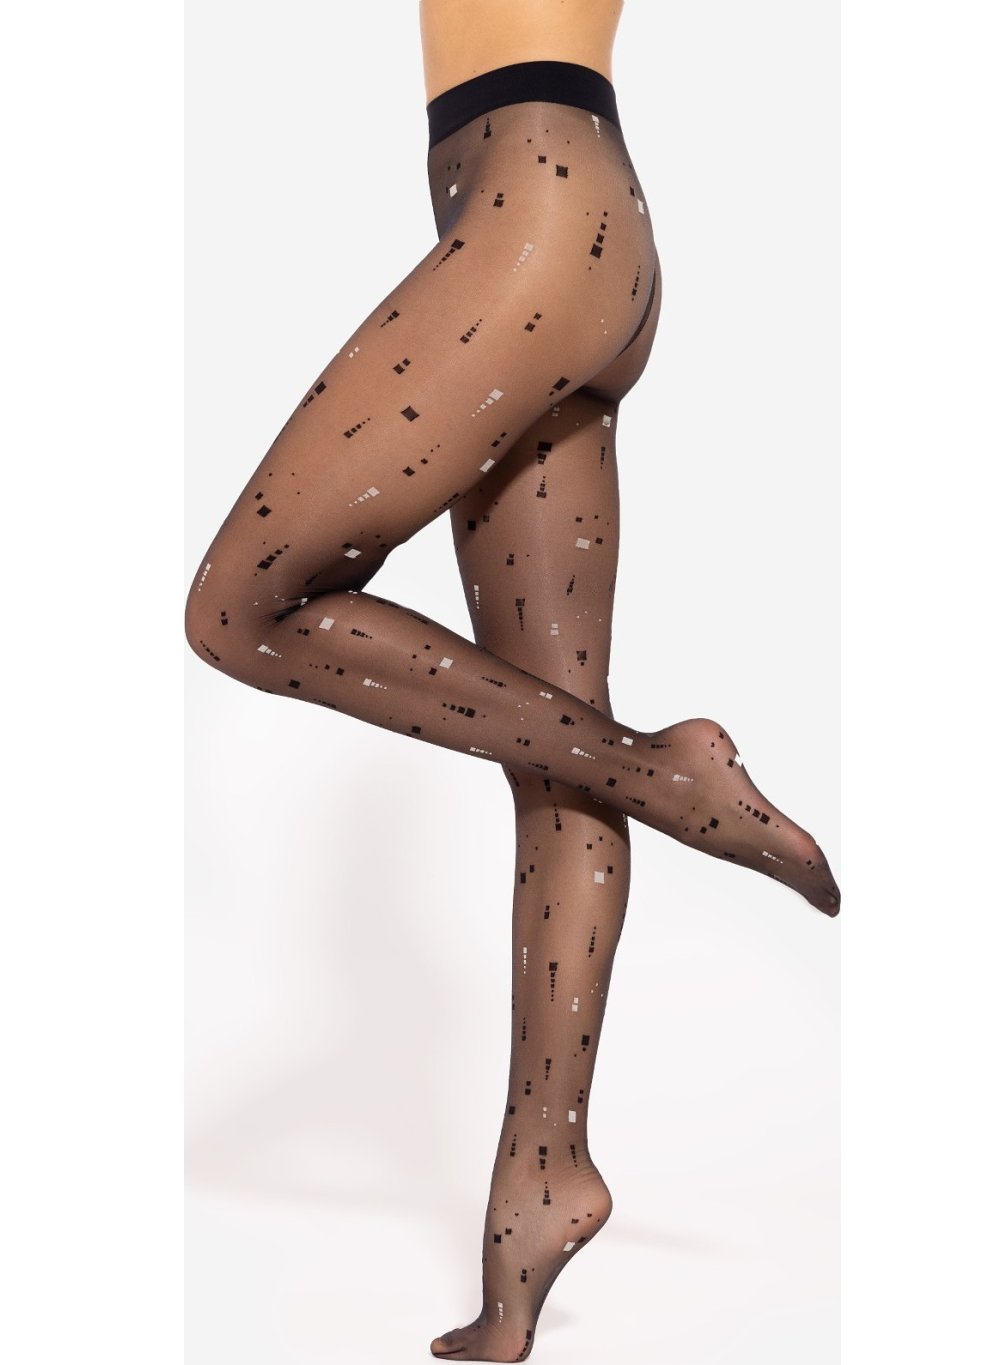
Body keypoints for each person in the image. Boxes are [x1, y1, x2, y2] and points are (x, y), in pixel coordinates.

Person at [185, 0, 840, 1358]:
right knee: (555, 744)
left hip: (538, 224)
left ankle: (668, 772)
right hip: (554, 218)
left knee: (242, 609)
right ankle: (543, 1175)